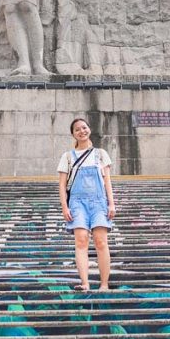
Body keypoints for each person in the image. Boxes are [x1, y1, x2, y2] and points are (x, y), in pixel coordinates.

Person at [57, 117, 116, 291]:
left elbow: (107, 182)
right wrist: (64, 207)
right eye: (77, 129)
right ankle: (85, 282)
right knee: (81, 241)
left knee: (101, 242)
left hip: (99, 202)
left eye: (84, 127)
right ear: (73, 134)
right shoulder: (67, 157)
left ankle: (104, 284)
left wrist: (111, 204)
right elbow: (61, 184)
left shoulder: (100, 154)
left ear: (89, 129)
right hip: (77, 203)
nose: (81, 131)